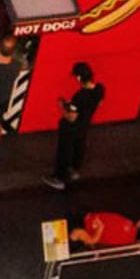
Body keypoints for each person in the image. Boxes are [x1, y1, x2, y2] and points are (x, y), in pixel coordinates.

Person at [43, 62, 105, 190]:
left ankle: (58, 178)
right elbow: (98, 104)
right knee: (79, 147)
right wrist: (74, 106)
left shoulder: (80, 95)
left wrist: (62, 106)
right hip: (85, 124)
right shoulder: (100, 89)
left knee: (64, 151)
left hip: (71, 128)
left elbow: (71, 117)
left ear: (79, 78)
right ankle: (74, 170)